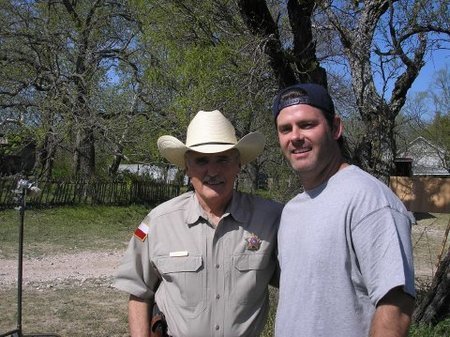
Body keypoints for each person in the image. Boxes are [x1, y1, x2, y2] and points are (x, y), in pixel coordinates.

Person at [114, 110, 283, 337]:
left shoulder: (272, 219)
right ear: (187, 167)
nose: (213, 171)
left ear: (238, 164)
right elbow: (138, 292)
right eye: (201, 160)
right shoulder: (158, 222)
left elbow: (302, 285)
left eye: (223, 158)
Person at [272, 83, 416, 337]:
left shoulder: (369, 199)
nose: (295, 136)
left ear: (336, 127)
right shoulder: (292, 209)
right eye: (286, 129)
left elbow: (396, 304)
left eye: (307, 125)